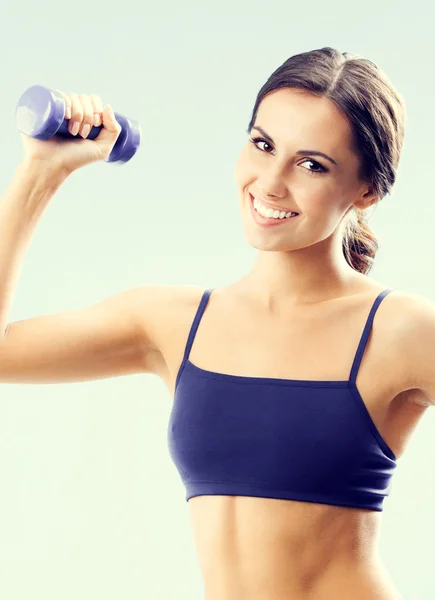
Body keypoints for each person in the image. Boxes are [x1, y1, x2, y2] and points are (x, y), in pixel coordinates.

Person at [0, 46, 430, 600]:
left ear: (366, 190)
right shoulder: (170, 323)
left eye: (312, 164)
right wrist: (41, 170)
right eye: (263, 144)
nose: (271, 183)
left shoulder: (401, 330)